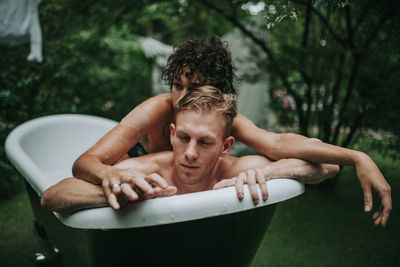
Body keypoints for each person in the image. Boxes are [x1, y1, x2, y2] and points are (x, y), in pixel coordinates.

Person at [71, 35, 391, 227]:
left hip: (192, 186)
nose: (182, 97)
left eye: (194, 87)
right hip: (150, 175)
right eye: (177, 85)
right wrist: (108, 176)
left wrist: (355, 156)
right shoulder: (156, 110)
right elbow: (86, 162)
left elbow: (278, 143)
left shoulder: (223, 119)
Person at [41, 86, 338, 213]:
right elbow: (54, 195)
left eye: (205, 142)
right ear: (171, 134)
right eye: (183, 138)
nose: (191, 152)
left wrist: (269, 171)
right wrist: (121, 191)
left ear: (226, 146)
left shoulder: (236, 171)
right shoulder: (151, 170)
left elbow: (327, 167)